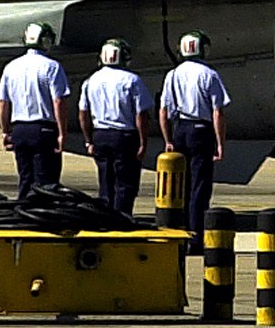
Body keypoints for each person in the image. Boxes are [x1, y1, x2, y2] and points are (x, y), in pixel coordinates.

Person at [159, 31, 230, 238]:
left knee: (182, 184)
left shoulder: (172, 75)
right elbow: (218, 111)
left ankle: (179, 229)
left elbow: (163, 110)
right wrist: (220, 143)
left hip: (181, 128)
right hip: (201, 130)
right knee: (200, 185)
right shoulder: (209, 74)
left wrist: (168, 139)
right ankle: (196, 232)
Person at [78, 37, 152, 218]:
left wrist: (88, 140)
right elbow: (141, 113)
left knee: (105, 182)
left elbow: (83, 113)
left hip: (100, 135)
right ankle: (122, 218)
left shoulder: (91, 81)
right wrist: (143, 142)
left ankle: (106, 219)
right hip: (124, 136)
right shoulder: (133, 80)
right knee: (125, 183)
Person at [0, 22, 70, 199]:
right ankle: (41, 217)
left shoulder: (11, 67)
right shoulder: (52, 67)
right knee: (46, 182)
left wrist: (5, 131)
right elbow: (58, 101)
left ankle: (24, 214)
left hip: (20, 129)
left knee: (25, 178)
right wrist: (62, 132)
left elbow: (2, 102)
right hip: (43, 129)